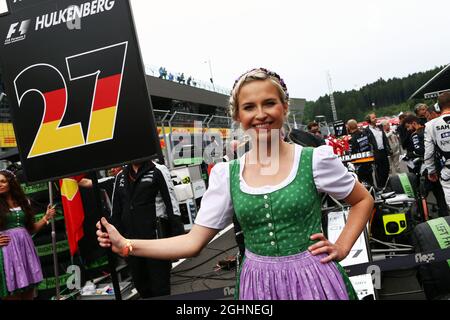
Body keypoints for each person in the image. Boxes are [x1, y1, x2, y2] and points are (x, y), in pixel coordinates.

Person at [97, 68, 374, 300]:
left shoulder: (314, 160)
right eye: (249, 107)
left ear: (284, 107)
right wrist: (127, 245)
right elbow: (193, 242)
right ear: (237, 117)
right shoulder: (226, 174)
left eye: (269, 103)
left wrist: (342, 247)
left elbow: (363, 200)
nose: (260, 114)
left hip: (314, 280)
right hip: (258, 287)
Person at [109, 161, 177, 298]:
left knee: (160, 287)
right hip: (131, 242)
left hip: (155, 239)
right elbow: (115, 212)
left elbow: (172, 205)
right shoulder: (120, 176)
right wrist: (117, 241)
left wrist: (176, 237)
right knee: (141, 285)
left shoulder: (158, 170)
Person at [0, 169, 56, 300]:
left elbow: (30, 230)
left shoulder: (23, 202)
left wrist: (46, 217)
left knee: (28, 293)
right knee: (11, 293)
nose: (0, 184)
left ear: (11, 183)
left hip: (25, 250)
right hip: (6, 252)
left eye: (2, 181)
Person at [404, 115, 448, 218]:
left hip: (427, 167)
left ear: (414, 123)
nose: (408, 129)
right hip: (439, 165)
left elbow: (419, 151)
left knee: (421, 192)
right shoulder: (431, 129)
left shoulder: (415, 135)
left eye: (408, 126)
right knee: (440, 192)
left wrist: (409, 155)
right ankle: (444, 214)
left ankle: (422, 215)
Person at [425, 92, 450, 212]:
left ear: (438, 107)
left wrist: (431, 170)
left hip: (447, 170)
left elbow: (429, 152)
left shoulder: (430, 125)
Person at [364, 113, 391, 189]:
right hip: (376, 153)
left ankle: (387, 186)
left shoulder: (379, 127)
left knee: (386, 169)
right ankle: (380, 187)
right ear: (369, 120)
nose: (375, 119)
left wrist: (388, 148)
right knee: (379, 171)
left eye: (375, 117)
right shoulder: (366, 130)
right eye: (373, 118)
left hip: (384, 151)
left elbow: (385, 138)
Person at [347, 119, 374, 186]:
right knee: (371, 182)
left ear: (349, 127)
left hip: (359, 165)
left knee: (363, 185)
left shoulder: (351, 138)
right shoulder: (364, 133)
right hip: (368, 162)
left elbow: (350, 153)